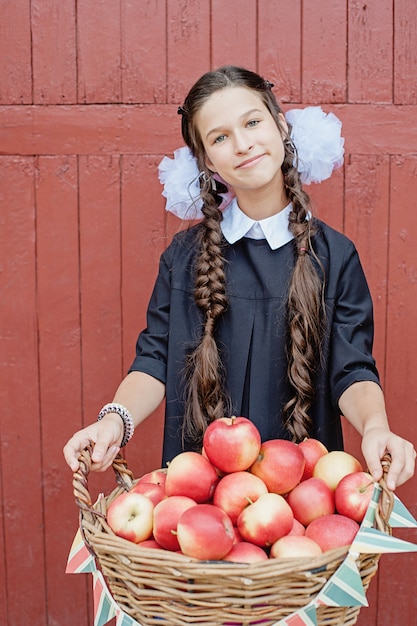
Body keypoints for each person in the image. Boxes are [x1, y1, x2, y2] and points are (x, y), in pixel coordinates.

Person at [63, 65, 416, 491]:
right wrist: (115, 420)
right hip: (200, 496)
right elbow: (155, 358)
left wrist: (375, 427)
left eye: (252, 122)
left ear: (280, 125)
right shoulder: (182, 258)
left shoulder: (334, 256)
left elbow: (352, 368)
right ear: (208, 161)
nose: (243, 144)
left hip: (302, 495)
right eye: (220, 137)